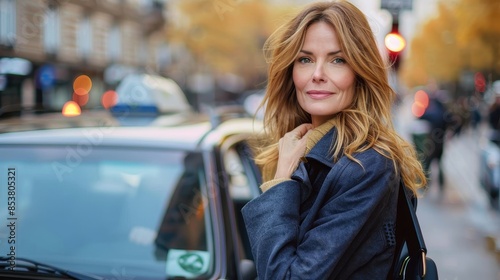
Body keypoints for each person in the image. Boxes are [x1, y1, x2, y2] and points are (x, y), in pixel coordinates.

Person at [241, 1, 427, 279]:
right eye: (305, 59)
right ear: (291, 72)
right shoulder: (304, 151)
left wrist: (280, 182)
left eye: (337, 60)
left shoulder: (365, 166)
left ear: (359, 73)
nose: (317, 74)